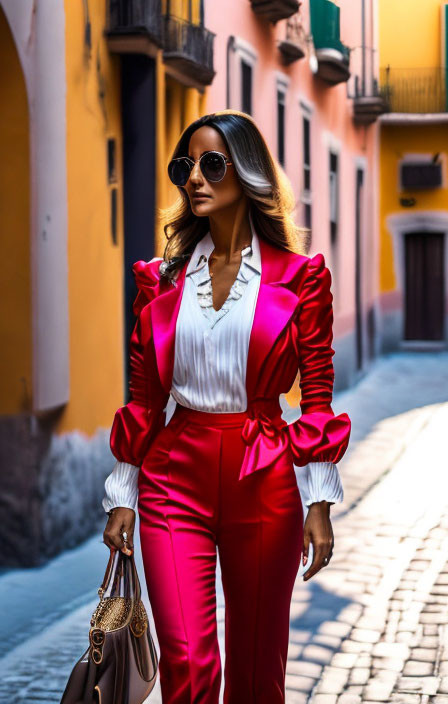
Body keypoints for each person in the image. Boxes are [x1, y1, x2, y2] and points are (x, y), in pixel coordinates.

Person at [101, 109, 352, 703]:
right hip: (172, 476)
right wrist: (122, 494)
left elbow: (315, 394)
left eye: (212, 164)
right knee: (186, 660)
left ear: (247, 173)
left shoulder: (300, 279)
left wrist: (319, 499)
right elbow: (144, 396)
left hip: (262, 475)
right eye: (184, 166)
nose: (195, 178)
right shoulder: (161, 281)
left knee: (258, 669)